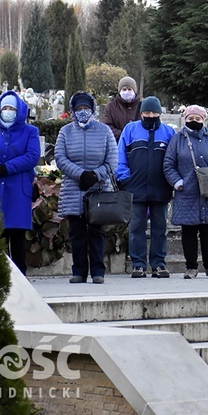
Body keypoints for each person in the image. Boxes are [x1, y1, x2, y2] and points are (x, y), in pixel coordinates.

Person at [56, 92, 118, 284]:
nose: (83, 112)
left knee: (97, 232)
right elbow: (60, 158)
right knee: (77, 234)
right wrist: (80, 174)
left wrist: (95, 175)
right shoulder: (65, 132)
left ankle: (98, 272)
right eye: (79, 109)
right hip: (73, 190)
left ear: (92, 109)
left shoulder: (104, 131)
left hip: (97, 190)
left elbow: (112, 160)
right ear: (73, 111)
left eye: (86, 108)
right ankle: (79, 271)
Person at [164, 105, 208, 279]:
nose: (194, 121)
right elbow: (168, 164)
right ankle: (191, 267)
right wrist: (178, 182)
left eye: (198, 118)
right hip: (187, 191)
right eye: (191, 118)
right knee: (188, 231)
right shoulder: (177, 139)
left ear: (204, 120)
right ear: (185, 119)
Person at [0, 91, 40, 275]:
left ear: (19, 111)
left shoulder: (30, 131)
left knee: (17, 238)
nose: (7, 111)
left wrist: (9, 167)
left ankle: (20, 276)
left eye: (11, 108)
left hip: (18, 191)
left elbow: (32, 156)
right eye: (4, 108)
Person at [117, 96, 176, 279]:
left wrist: (172, 181)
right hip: (136, 187)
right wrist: (125, 177)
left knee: (160, 228)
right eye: (146, 112)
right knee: (136, 228)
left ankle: (159, 264)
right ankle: (138, 264)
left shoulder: (169, 133)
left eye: (154, 112)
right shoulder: (130, 129)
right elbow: (121, 156)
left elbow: (174, 159)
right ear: (141, 113)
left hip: (161, 188)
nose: (150, 115)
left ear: (160, 113)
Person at [101, 76, 141, 141]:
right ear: (119, 91)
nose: (127, 92)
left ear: (134, 91)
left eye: (129, 89)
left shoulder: (141, 106)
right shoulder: (111, 107)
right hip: (117, 145)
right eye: (124, 89)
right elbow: (107, 126)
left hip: (138, 145)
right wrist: (124, 134)